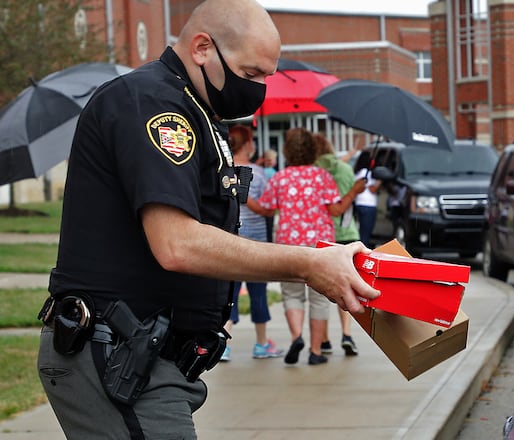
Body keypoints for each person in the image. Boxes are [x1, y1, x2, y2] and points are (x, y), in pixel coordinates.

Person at [36, 2, 379, 439]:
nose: (256, 89)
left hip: (144, 357)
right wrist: (307, 263)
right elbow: (177, 243)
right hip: (116, 353)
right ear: (202, 47)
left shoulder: (193, 109)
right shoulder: (154, 105)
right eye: (251, 74)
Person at [259, 128, 366, 366]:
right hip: (320, 247)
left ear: (287, 151)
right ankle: (315, 351)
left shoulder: (280, 178)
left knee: (291, 294)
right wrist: (354, 192)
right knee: (318, 298)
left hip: (289, 245)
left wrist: (245, 199)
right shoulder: (322, 177)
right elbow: (336, 210)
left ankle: (297, 337)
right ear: (313, 150)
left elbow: (266, 208)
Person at [220, 125, 282, 361]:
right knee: (258, 294)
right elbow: (267, 207)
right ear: (247, 144)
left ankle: (224, 343)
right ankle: (262, 343)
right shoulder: (256, 172)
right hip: (256, 244)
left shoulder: (222, 171)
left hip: (228, 241)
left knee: (229, 295)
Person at [313, 133, 362, 356]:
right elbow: (350, 200)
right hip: (347, 231)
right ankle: (347, 333)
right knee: (348, 287)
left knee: (322, 290)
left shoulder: (312, 173)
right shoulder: (345, 170)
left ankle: (324, 340)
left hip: (322, 234)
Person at [353, 160, 381, 248]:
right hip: (368, 204)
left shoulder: (360, 172)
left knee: (361, 230)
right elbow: (372, 189)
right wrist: (380, 181)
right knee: (365, 233)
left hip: (360, 203)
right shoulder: (366, 173)